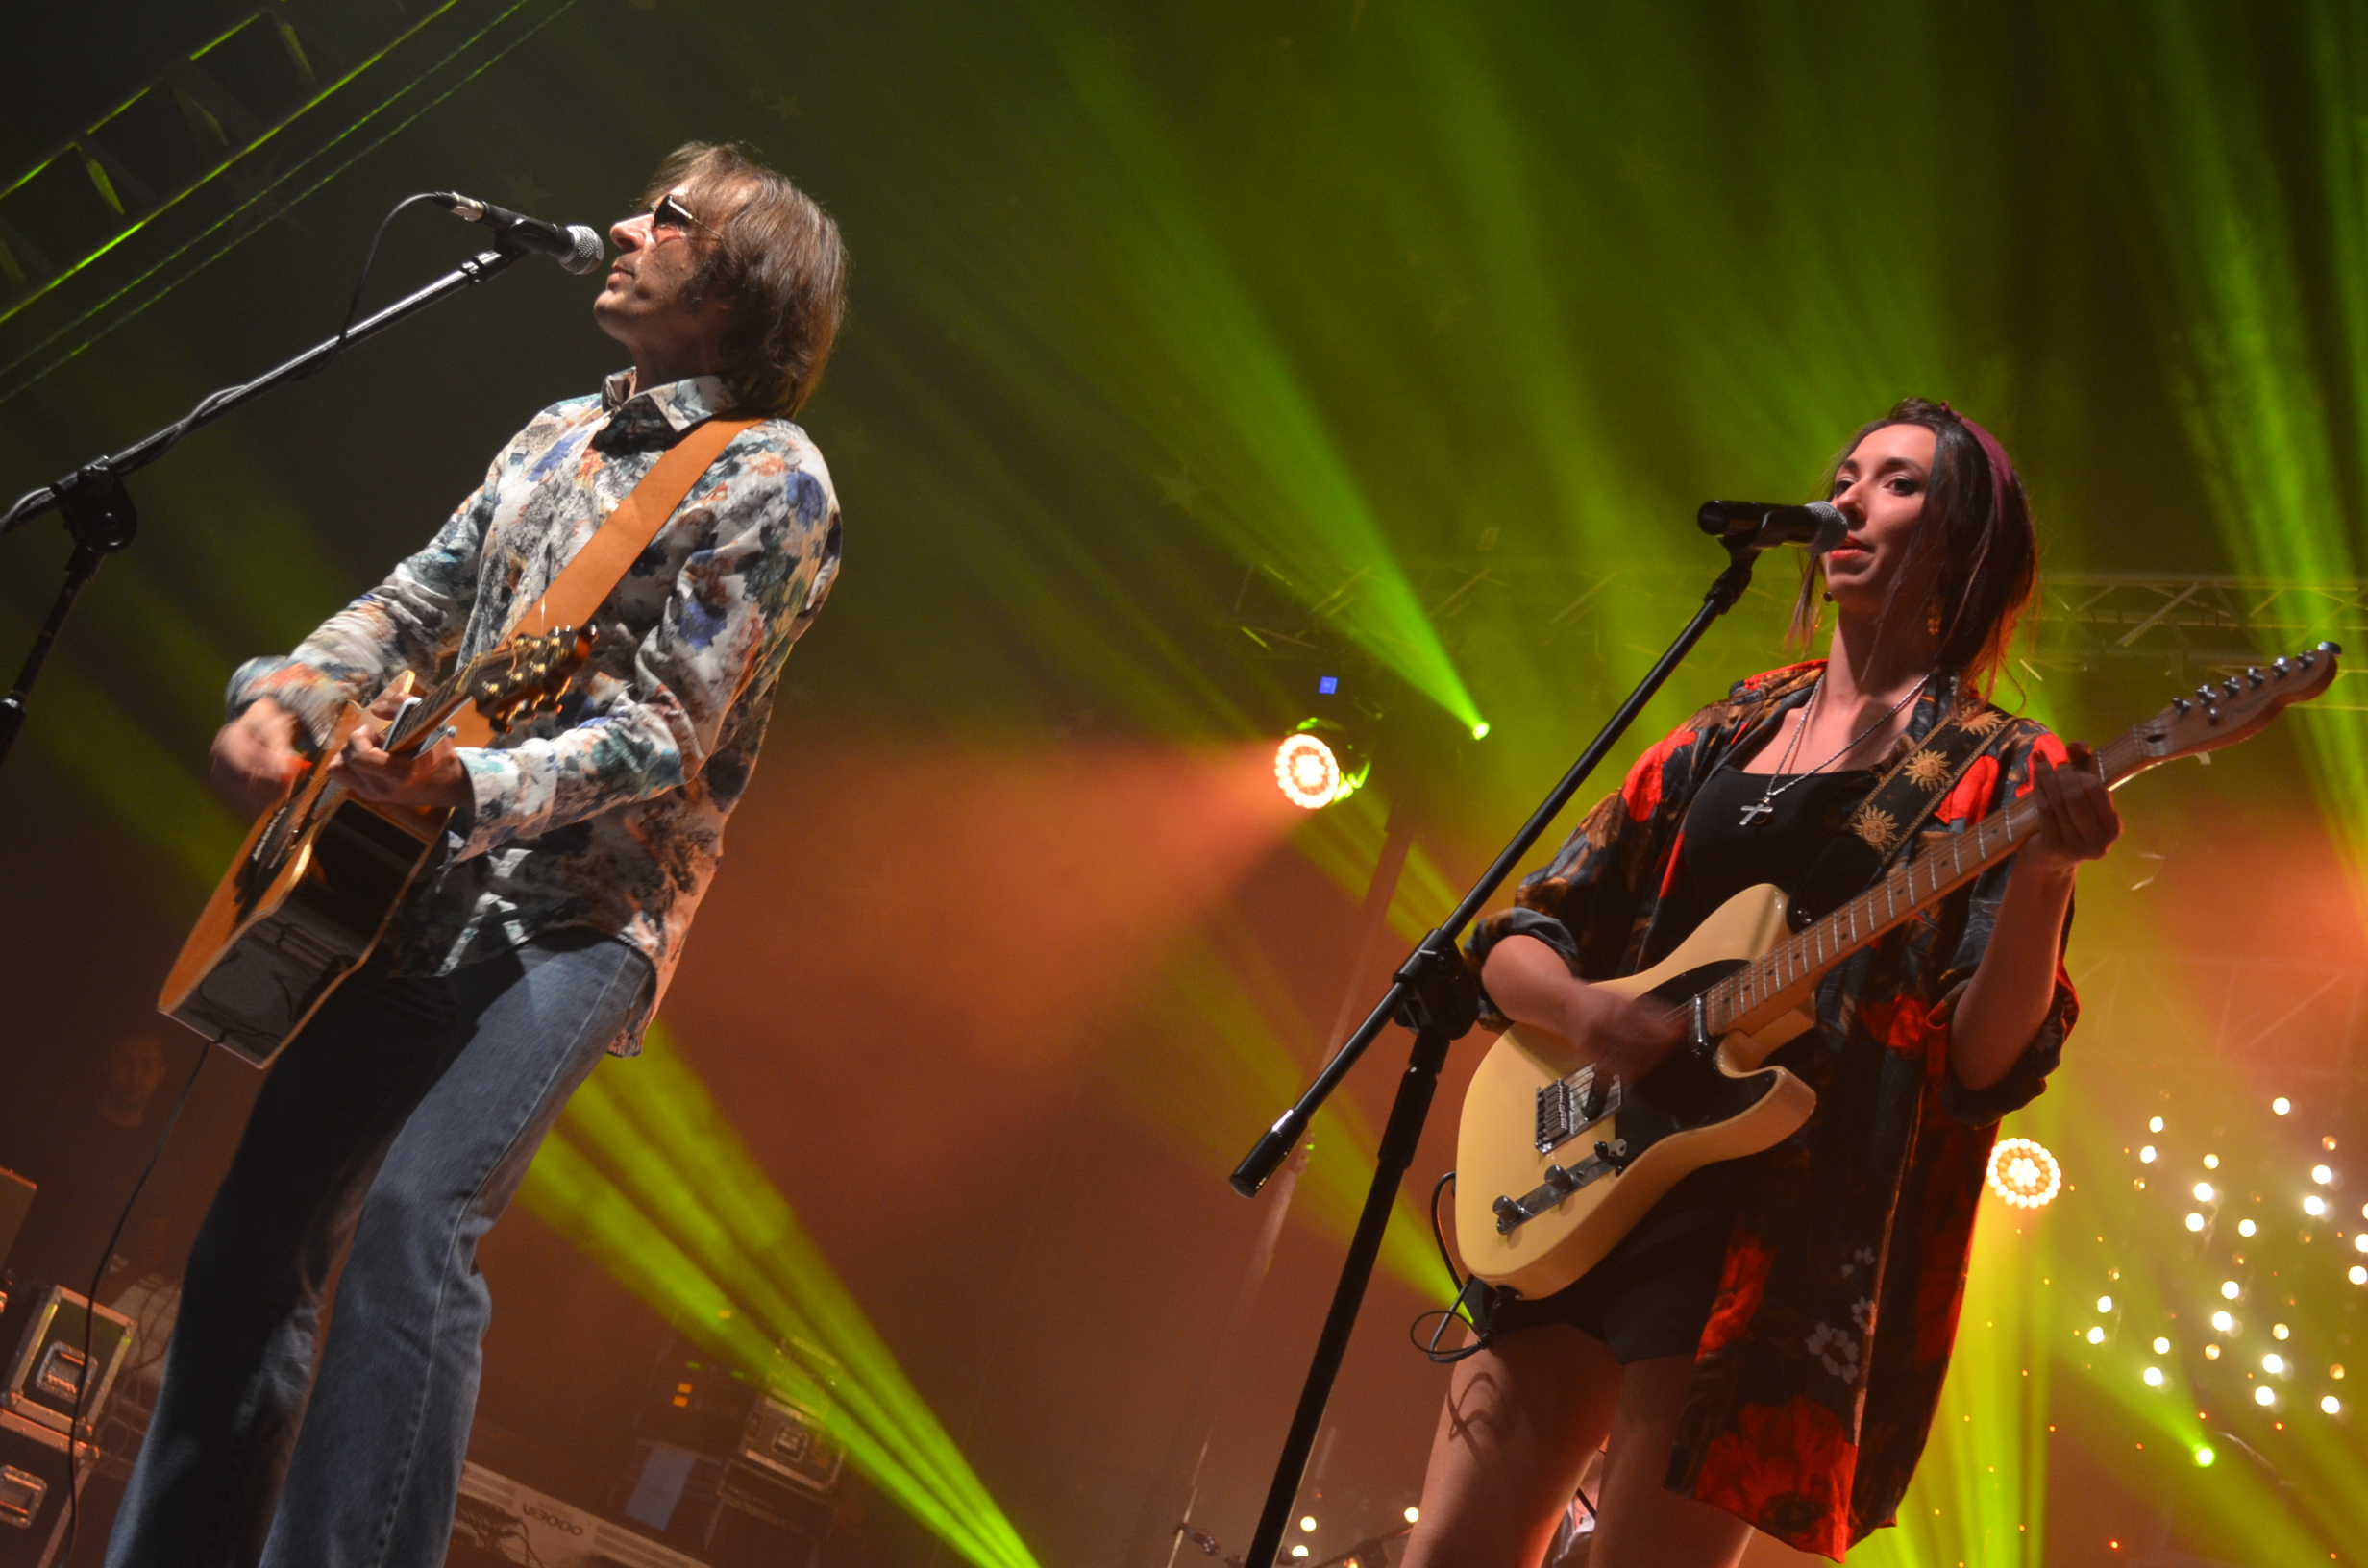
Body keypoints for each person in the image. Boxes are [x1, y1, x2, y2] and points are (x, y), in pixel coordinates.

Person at [107, 142, 847, 1568]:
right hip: (417, 878)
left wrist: (473, 778)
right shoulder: (555, 432)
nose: (622, 226)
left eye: (666, 218)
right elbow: (415, 602)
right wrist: (286, 697)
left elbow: (668, 731)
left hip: (584, 915)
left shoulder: (775, 477)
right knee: (259, 1230)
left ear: (737, 289)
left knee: (416, 1220)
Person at [1399, 400, 2121, 1568]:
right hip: (1587, 1168)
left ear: (1960, 539)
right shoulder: (1728, 728)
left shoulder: (2000, 768)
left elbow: (1985, 1062)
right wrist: (1592, 1014)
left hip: (1765, 1234)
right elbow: (1520, 936)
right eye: (1844, 476)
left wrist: (2041, 876)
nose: (1850, 499)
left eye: (1897, 482)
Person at [0, 1033, 189, 1301]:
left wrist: (118, 1283)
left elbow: (155, 1240)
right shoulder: (59, 1120)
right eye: (126, 1062)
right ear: (108, 1065)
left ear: (161, 1074)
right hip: (12, 1264)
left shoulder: (158, 1160)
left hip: (71, 1290)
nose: (136, 1075)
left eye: (147, 1065)